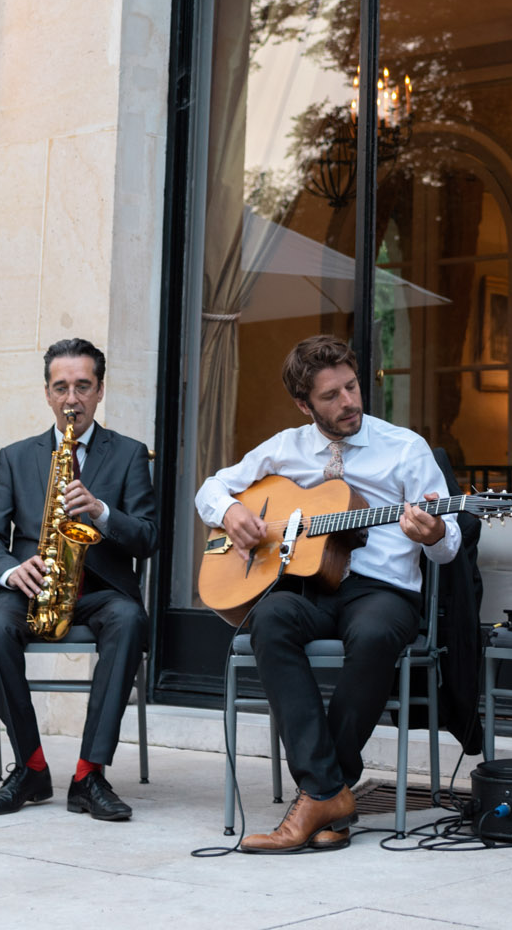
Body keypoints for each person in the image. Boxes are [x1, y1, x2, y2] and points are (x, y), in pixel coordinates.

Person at [196, 333, 460, 853]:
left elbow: (448, 543)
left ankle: (320, 789)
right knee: (270, 622)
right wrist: (230, 513)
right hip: (310, 585)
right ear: (303, 404)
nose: (349, 403)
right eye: (331, 396)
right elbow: (212, 487)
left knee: (376, 633)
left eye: (352, 387)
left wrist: (432, 536)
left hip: (382, 592)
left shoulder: (405, 448)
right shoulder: (283, 448)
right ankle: (328, 792)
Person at [0, 340, 158, 822]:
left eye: (82, 386)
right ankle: (31, 767)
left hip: (100, 591)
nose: (72, 399)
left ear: (99, 391)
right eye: (61, 388)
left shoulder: (131, 454)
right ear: (47, 394)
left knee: (131, 620)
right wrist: (12, 570)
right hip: (35, 585)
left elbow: (147, 537)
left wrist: (102, 511)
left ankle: (88, 774)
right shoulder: (15, 457)